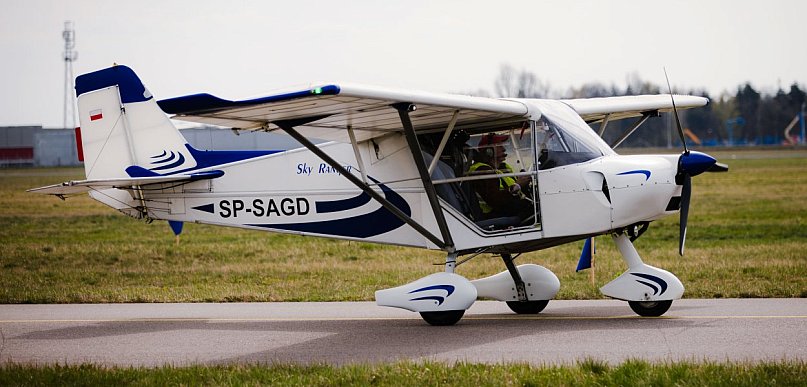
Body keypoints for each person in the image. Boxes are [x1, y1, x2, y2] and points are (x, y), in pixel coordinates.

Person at [468, 133, 533, 222]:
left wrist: (523, 180)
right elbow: (496, 201)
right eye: (499, 146)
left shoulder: (502, 167)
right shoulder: (483, 171)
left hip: (510, 207)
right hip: (494, 214)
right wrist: (517, 185)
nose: (504, 149)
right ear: (489, 151)